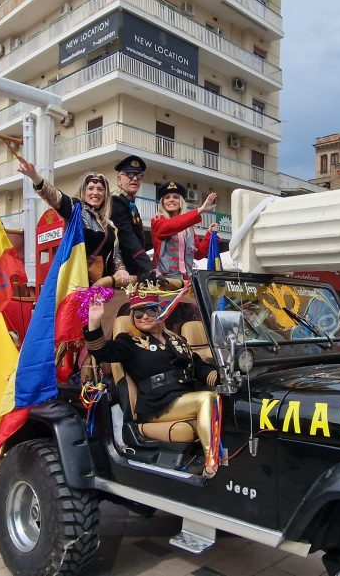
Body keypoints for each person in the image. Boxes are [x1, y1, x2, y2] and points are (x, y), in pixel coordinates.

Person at [84, 290, 221, 478]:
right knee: (208, 398)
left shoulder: (177, 340)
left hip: (183, 398)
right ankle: (212, 466)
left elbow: (198, 367)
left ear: (161, 311)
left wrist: (224, 378)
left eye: (150, 310)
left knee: (225, 398)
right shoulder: (128, 341)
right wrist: (94, 322)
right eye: (138, 313)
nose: (145, 316)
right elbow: (103, 352)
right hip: (156, 404)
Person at [16, 155, 131, 287]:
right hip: (74, 283)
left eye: (100, 189)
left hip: (99, 288)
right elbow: (56, 198)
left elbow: (116, 257)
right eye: (91, 188)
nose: (95, 193)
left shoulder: (110, 227)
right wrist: (36, 177)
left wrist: (122, 271)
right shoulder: (76, 209)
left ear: (105, 194)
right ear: (84, 191)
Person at [150, 181, 219, 279]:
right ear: (162, 202)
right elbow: (171, 226)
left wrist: (209, 234)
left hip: (186, 280)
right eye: (167, 197)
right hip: (164, 280)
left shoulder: (188, 228)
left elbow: (199, 254)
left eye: (175, 197)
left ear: (181, 201)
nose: (171, 200)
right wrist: (200, 210)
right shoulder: (157, 221)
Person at [110, 156, 155, 277]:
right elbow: (127, 236)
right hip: (120, 269)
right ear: (119, 178)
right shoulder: (116, 200)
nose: (135, 179)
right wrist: (148, 267)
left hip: (132, 267)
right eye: (129, 175)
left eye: (139, 176)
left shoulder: (129, 202)